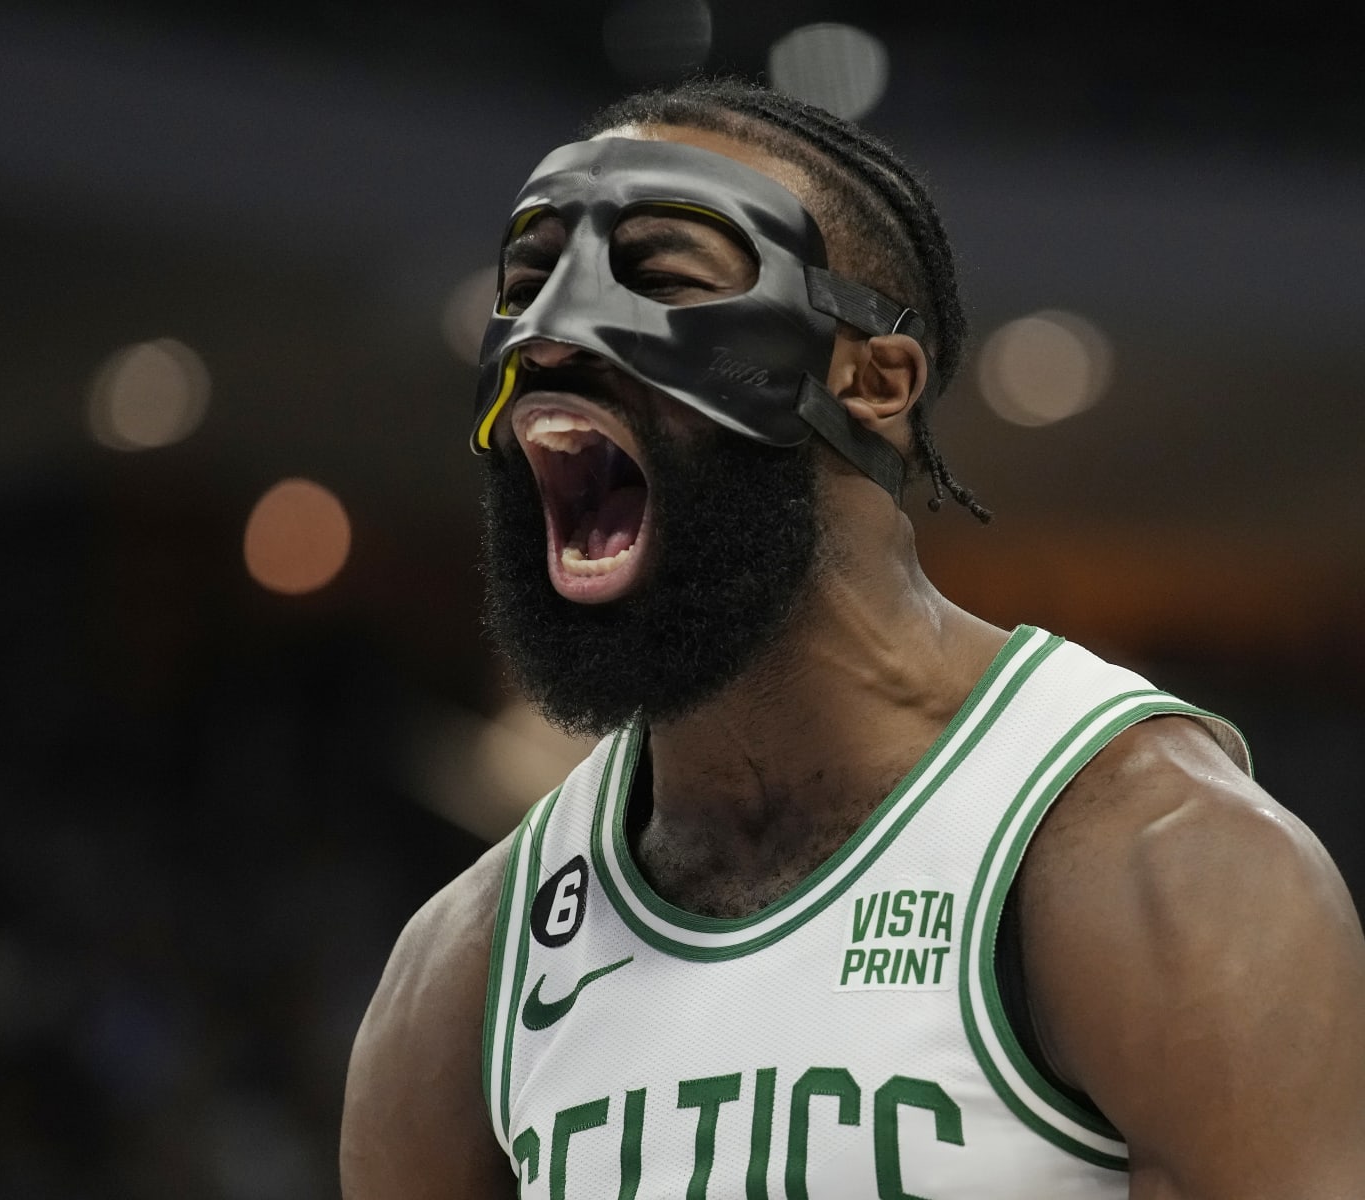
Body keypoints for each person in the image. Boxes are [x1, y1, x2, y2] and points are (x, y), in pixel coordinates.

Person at [340, 75, 1365, 1199]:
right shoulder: (462, 974)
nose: (548, 334)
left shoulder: (1158, 859)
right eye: (526, 286)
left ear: (873, 379)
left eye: (662, 278)